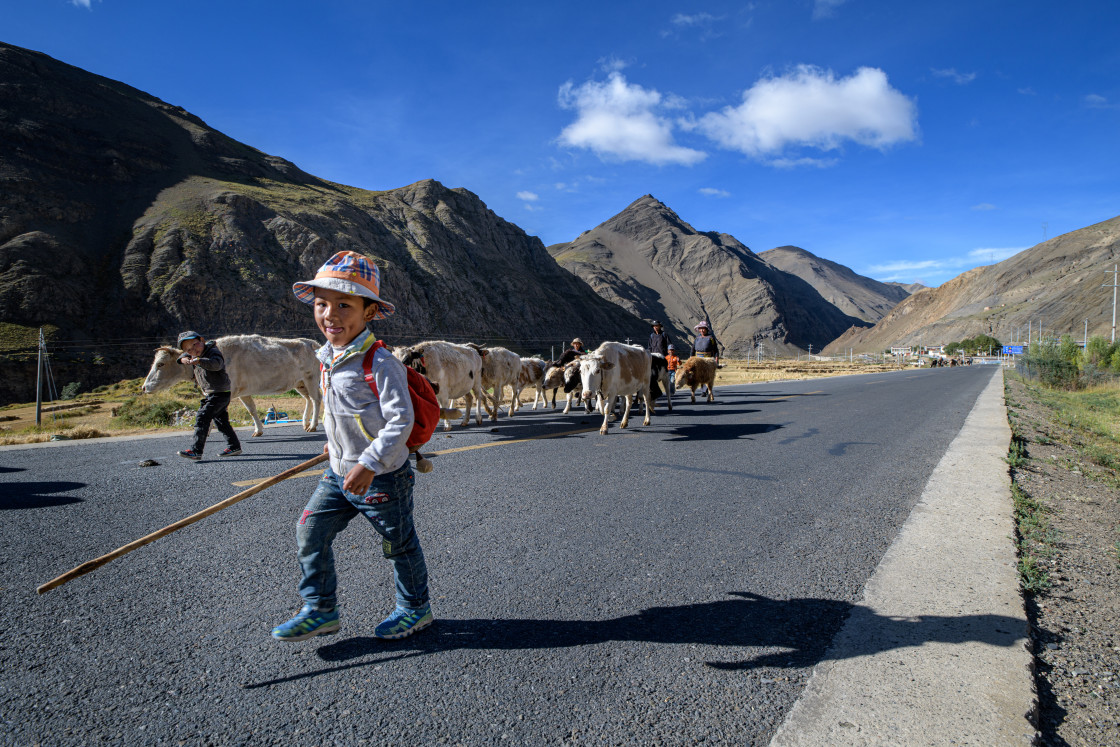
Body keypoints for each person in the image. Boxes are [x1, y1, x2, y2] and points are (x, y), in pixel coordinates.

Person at [271, 250, 431, 643]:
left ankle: (415, 609)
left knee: (398, 545)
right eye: (322, 304)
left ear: (370, 312)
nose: (331, 314)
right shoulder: (328, 357)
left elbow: (400, 420)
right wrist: (334, 445)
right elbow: (338, 413)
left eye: (344, 304)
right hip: (338, 472)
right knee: (310, 529)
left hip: (383, 479)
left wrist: (370, 463)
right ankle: (320, 609)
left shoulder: (381, 363)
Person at [176, 331, 242, 461]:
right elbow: (181, 357)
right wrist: (184, 359)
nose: (193, 350)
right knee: (221, 422)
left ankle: (196, 450)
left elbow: (216, 365)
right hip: (213, 393)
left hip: (219, 393)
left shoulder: (213, 352)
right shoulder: (192, 354)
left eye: (195, 345)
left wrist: (199, 361)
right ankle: (234, 446)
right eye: (189, 349)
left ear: (202, 340)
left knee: (202, 417)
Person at [690, 321, 720, 396]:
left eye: (703, 329)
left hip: (708, 359)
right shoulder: (697, 338)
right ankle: (702, 390)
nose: (702, 330)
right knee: (699, 374)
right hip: (698, 358)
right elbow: (693, 348)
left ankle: (705, 390)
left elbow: (715, 349)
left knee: (707, 374)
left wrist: (716, 359)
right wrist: (691, 357)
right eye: (700, 329)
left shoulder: (711, 338)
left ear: (706, 329)